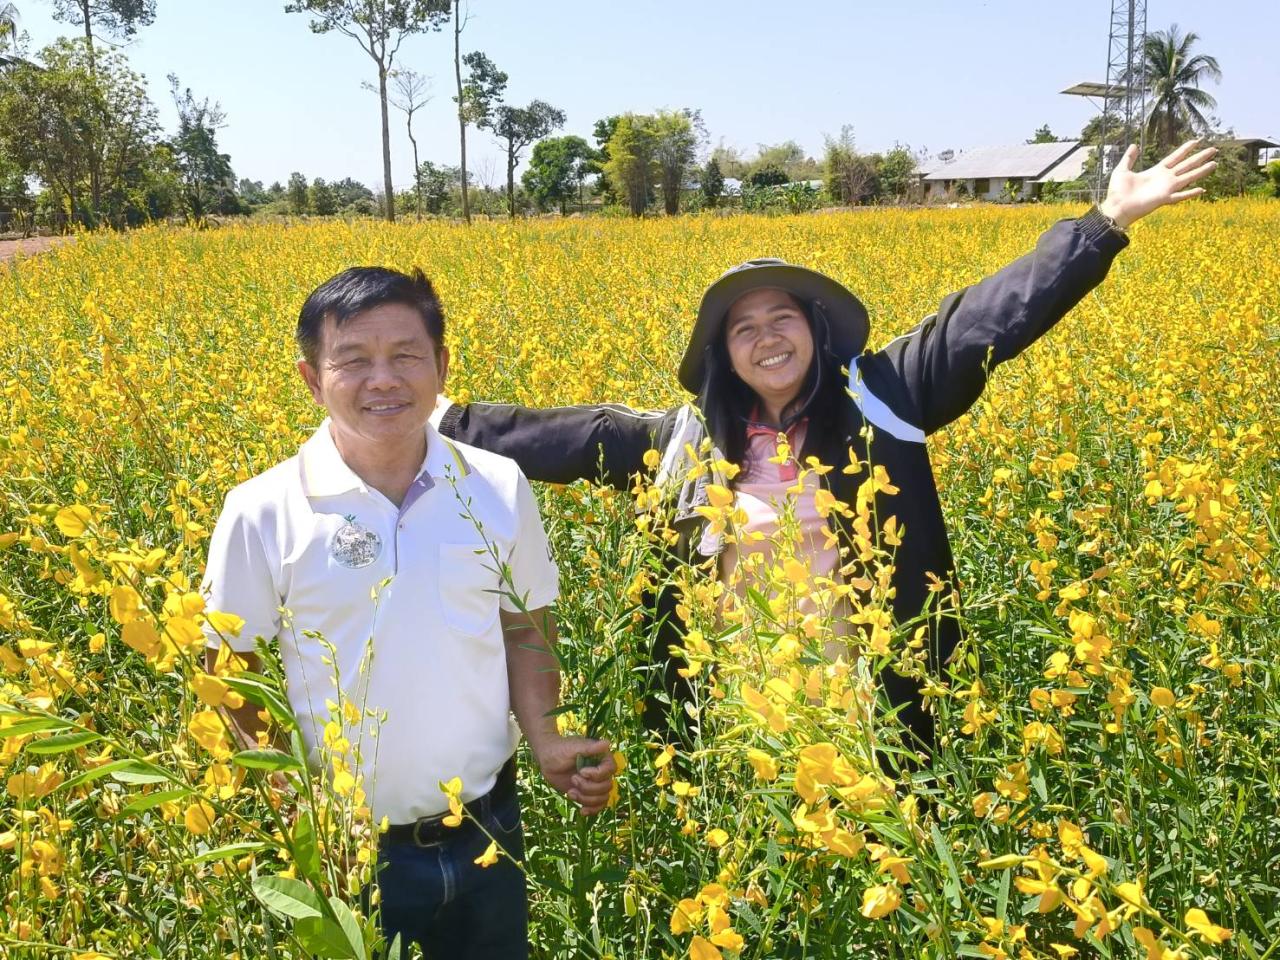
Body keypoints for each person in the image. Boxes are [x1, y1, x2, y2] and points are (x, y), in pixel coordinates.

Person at [430, 141, 1218, 757]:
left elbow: (985, 320)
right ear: (722, 354)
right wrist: (444, 420)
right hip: (736, 708)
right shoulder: (686, 441)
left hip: (873, 695)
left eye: (782, 319)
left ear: (813, 328)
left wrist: (1103, 226)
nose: (766, 338)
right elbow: (575, 435)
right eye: (744, 327)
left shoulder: (884, 395)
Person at [200, 266, 618, 959]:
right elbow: (224, 664)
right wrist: (294, 802)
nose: (383, 380)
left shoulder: (497, 483)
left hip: (490, 834)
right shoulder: (262, 508)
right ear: (311, 379)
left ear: (442, 366)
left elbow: (524, 623)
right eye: (354, 361)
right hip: (352, 856)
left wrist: (545, 736)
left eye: (405, 356)